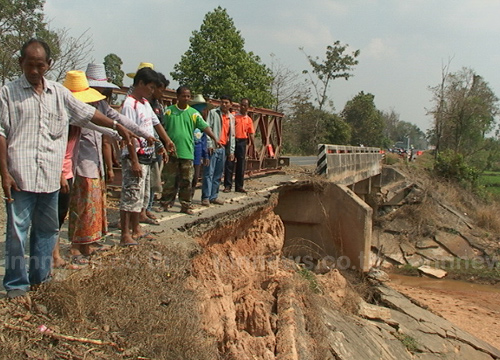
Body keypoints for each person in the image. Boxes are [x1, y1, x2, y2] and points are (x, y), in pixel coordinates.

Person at [0, 38, 137, 299]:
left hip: (50, 177)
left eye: (40, 65)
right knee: (17, 233)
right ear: (21, 63)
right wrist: (4, 172)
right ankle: (16, 285)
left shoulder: (59, 94)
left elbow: (86, 113)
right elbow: (1, 132)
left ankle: (41, 279)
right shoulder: (7, 93)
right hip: (20, 176)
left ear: (48, 65)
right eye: (29, 65)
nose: (34, 71)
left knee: (47, 231)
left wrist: (115, 125)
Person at [119, 67, 173, 245]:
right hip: (134, 156)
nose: (152, 91)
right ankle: (125, 233)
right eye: (150, 87)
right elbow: (128, 134)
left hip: (147, 155)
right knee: (130, 195)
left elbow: (155, 124)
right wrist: (133, 160)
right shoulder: (129, 105)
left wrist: (165, 142)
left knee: (140, 195)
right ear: (140, 83)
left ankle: (136, 229)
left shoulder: (144, 103)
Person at [161, 86, 219, 215]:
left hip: (187, 152)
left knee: (187, 180)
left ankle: (185, 205)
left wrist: (215, 138)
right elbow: (161, 127)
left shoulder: (193, 113)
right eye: (183, 96)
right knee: (170, 179)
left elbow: (205, 127)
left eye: (188, 96)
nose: (186, 98)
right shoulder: (169, 111)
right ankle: (165, 203)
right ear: (177, 97)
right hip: (172, 152)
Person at [201, 95, 235, 206]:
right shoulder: (213, 113)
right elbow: (208, 127)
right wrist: (209, 144)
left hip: (223, 148)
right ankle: (205, 197)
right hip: (214, 147)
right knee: (208, 173)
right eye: (222, 102)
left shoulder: (231, 118)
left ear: (230, 104)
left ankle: (214, 196)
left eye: (226, 102)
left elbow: (232, 135)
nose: (224, 104)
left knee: (218, 174)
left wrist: (231, 151)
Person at [223, 98, 255, 193]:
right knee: (229, 163)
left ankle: (239, 186)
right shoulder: (233, 116)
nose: (243, 107)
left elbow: (251, 133)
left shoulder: (248, 119)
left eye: (245, 105)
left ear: (248, 107)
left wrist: (254, 146)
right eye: (241, 105)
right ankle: (227, 186)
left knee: (241, 164)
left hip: (242, 141)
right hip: (232, 140)